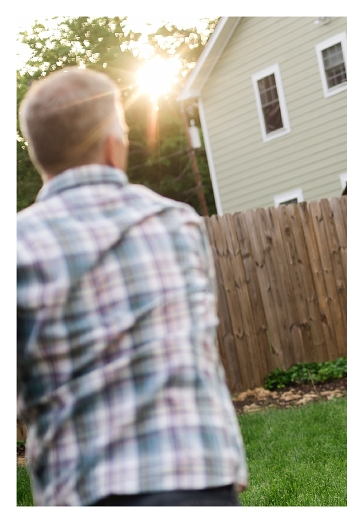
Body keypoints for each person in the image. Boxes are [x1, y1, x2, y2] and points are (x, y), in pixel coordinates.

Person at [17, 67, 248, 506]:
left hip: (87, 491)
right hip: (201, 479)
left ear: (38, 155)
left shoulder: (19, 246)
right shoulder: (177, 223)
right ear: (112, 145)